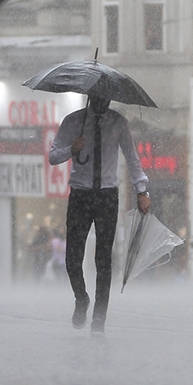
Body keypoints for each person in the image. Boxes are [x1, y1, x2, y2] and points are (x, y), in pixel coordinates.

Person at [49, 95, 150, 334]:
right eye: (99, 95)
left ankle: (99, 320)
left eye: (107, 96)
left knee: (104, 261)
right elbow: (53, 156)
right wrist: (71, 149)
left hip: (106, 197)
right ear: (90, 95)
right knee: (72, 258)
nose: (103, 100)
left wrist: (141, 190)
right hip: (81, 195)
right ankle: (81, 298)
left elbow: (132, 159)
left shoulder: (118, 122)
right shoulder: (73, 121)